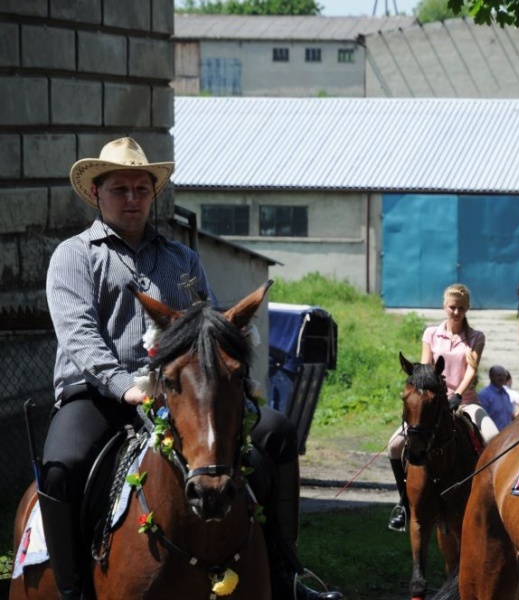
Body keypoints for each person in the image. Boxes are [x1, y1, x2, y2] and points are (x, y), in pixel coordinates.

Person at [43, 137, 341, 600]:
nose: (132, 199)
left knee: (277, 436)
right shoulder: (76, 256)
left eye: (141, 189)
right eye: (120, 189)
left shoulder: (182, 259)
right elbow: (79, 335)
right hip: (99, 397)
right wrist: (125, 387)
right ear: (96, 194)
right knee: (62, 466)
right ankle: (73, 589)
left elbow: (212, 328)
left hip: (181, 396)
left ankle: (285, 576)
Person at [385, 283, 499, 531]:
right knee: (394, 446)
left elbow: (472, 369)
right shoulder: (431, 334)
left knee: (493, 437)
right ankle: (404, 504)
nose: (455, 312)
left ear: (467, 309)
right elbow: (426, 369)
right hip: (434, 402)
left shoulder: (476, 337)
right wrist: (434, 395)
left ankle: (491, 501)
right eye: (451, 307)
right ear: (444, 307)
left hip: (465, 401)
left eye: (460, 308)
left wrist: (457, 395)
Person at [477, 365, 513, 431]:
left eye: (504, 375)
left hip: (507, 435)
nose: (502, 378)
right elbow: (482, 419)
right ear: (491, 377)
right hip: (492, 436)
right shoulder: (484, 395)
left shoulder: (506, 394)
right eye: (499, 375)